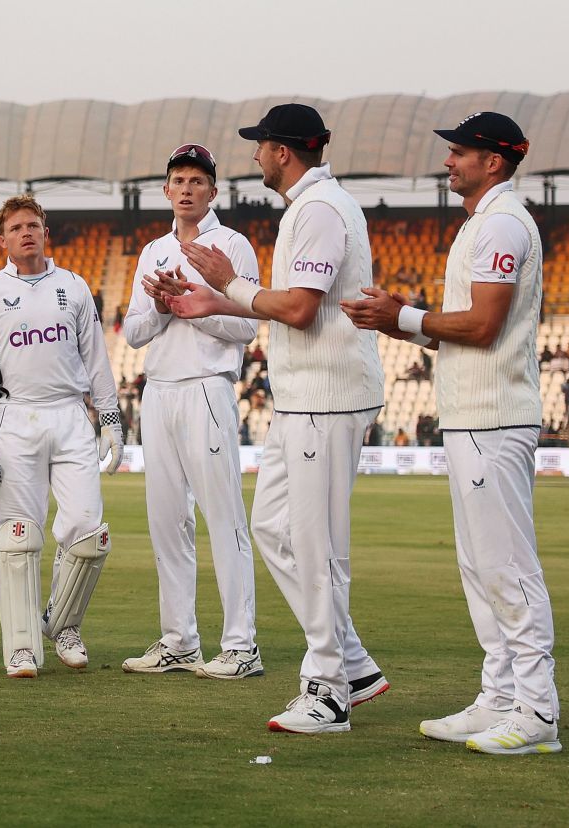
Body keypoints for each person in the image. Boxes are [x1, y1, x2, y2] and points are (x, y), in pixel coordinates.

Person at [342, 112, 561, 754]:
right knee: (479, 567)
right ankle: (498, 697)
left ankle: (538, 712)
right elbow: (468, 326)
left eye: (460, 152)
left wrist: (403, 315)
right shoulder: (481, 223)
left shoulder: (500, 222)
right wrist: (401, 324)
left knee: (506, 566)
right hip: (473, 414)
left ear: (493, 161)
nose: (449, 162)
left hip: (495, 417)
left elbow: (486, 324)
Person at [168, 103, 388, 734]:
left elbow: (298, 309)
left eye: (260, 145)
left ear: (283, 151)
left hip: (326, 394)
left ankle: (328, 690)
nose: (254, 155)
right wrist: (215, 296)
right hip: (304, 396)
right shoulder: (310, 207)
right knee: (271, 526)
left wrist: (230, 282)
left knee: (316, 544)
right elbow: (288, 307)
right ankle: (350, 660)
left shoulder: (317, 210)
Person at [0, 195, 123, 679]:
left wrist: (112, 419)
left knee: (88, 535)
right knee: (18, 536)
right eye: (16, 228)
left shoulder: (74, 287)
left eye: (33, 225)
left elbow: (97, 360)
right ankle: (20, 647)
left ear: (45, 232)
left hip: (71, 418)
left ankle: (64, 625)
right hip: (16, 418)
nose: (26, 233)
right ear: (3, 240)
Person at [119, 144, 263, 679]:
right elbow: (134, 333)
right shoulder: (152, 250)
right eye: (178, 179)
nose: (186, 188)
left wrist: (192, 305)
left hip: (207, 385)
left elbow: (246, 326)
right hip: (158, 389)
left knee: (223, 518)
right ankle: (179, 640)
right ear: (166, 190)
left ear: (213, 191)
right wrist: (161, 307)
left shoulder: (232, 245)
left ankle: (241, 646)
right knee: (166, 522)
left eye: (197, 181)